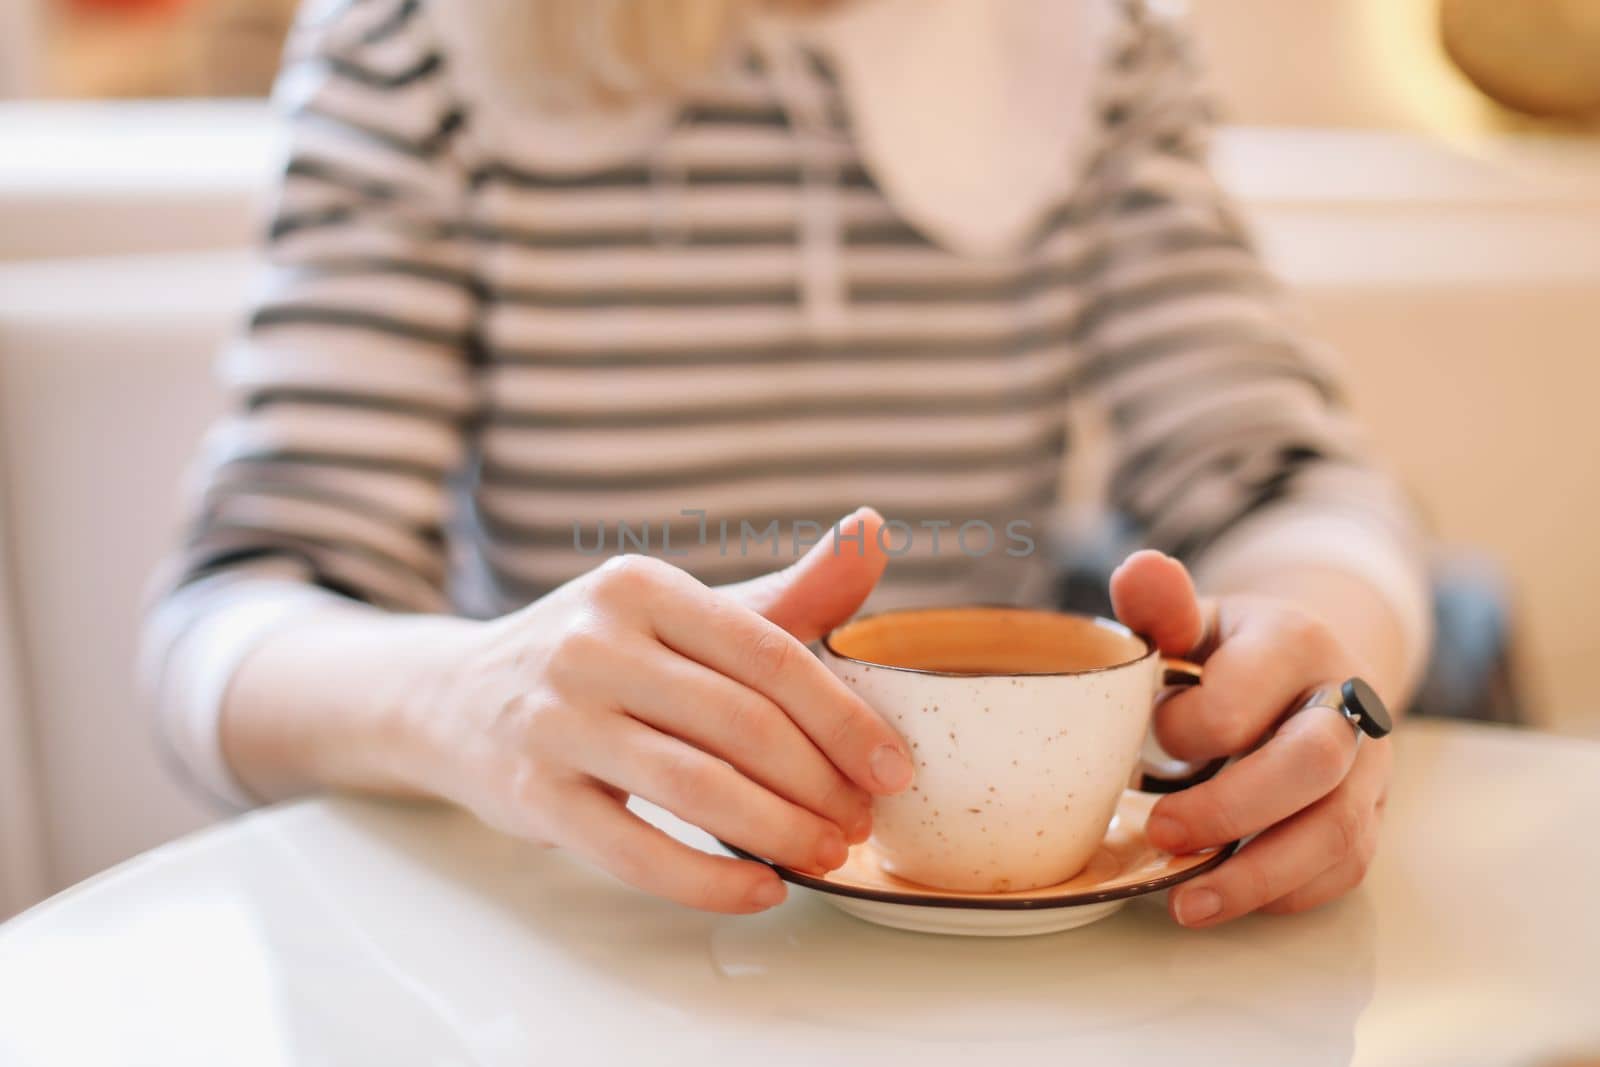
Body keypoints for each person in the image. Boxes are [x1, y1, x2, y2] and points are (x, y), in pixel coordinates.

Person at [143, 0, 1431, 928]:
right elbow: (233, 611)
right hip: (595, 931)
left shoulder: (1093, 46)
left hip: (993, 961)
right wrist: (463, 695)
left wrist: (1323, 674)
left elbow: (1286, 483)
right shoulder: (413, 45)